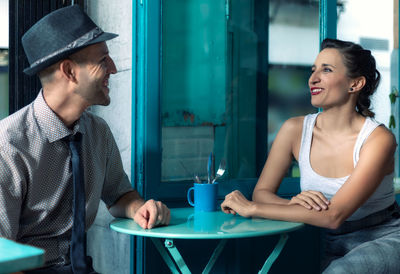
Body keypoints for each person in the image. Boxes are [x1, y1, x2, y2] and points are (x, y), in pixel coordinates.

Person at [0, 5, 170, 273]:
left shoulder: (97, 132)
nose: (113, 69)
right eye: (103, 60)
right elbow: (2, 255)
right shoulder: (8, 145)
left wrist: (139, 207)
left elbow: (119, 195)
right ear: (69, 71)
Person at [221, 38, 400, 273]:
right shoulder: (294, 130)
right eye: (313, 70)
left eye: (326, 70)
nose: (313, 78)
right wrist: (293, 203)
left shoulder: (378, 139)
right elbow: (262, 192)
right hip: (331, 242)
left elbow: (333, 215)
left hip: (385, 236)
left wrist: (252, 208)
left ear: (355, 84)